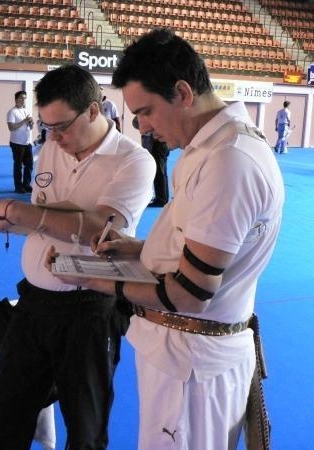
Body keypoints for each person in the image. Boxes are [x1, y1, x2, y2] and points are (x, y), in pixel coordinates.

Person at [54, 29, 284, 450]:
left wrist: (95, 280)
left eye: (146, 112)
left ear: (182, 92)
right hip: (186, 358)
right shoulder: (210, 149)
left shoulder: (228, 161)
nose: (142, 127)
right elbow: (205, 251)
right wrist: (141, 249)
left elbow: (190, 295)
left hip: (192, 366)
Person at [0, 64, 155, 449]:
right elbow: (44, 217)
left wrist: (22, 212)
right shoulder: (51, 150)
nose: (53, 138)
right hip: (33, 303)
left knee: (85, 427)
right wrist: (14, 223)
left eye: (61, 127)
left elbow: (100, 231)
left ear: (93, 110)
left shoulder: (134, 161)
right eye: (47, 128)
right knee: (4, 417)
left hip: (90, 309)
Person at [133, 115, 170, 206]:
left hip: (158, 145)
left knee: (159, 173)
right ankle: (163, 197)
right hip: (160, 144)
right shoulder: (152, 117)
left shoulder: (150, 118)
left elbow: (135, 123)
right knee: (161, 172)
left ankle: (161, 199)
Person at [6, 90, 34, 194]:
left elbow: (30, 127)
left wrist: (31, 123)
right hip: (17, 143)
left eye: (25, 98)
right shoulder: (12, 112)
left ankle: (26, 185)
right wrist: (24, 121)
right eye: (21, 98)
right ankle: (18, 187)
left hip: (27, 142)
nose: (23, 100)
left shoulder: (26, 111)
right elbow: (11, 127)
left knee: (29, 164)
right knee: (18, 165)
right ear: (16, 99)